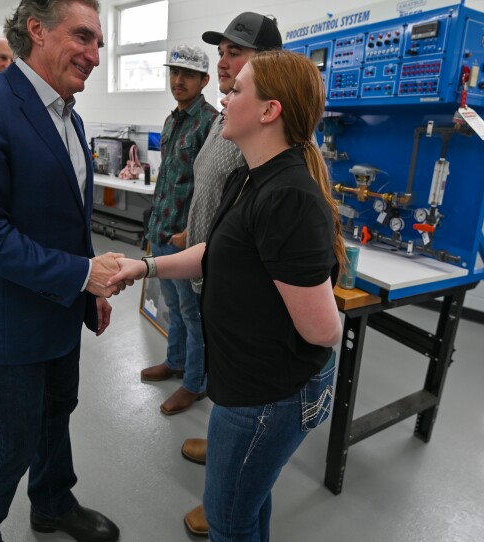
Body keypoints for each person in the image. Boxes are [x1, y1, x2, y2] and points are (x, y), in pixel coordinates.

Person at [108, 50, 346, 542]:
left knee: (228, 518)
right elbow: (210, 252)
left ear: (269, 111)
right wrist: (145, 266)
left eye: (237, 89)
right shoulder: (247, 178)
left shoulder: (289, 200)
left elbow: (323, 330)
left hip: (269, 396)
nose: (224, 95)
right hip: (243, 384)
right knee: (246, 501)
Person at [0, 1, 123, 541]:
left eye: (99, 43)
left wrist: (89, 289)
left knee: (58, 409)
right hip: (8, 311)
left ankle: (52, 503)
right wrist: (81, 275)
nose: (94, 54)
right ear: (36, 30)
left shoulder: (69, 113)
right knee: (12, 436)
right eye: (82, 37)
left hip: (62, 302)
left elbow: (68, 216)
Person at [178, 12, 283, 536]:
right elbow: (209, 188)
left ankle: (231, 489)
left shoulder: (263, 127)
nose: (223, 61)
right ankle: (224, 453)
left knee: (243, 392)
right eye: (221, 52)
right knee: (222, 383)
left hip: (228, 280)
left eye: (234, 53)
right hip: (204, 268)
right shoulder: (226, 114)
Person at [140, 45, 218, 416]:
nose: (178, 80)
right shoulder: (172, 120)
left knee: (192, 311)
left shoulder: (212, 124)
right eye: (174, 72)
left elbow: (211, 186)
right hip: (160, 230)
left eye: (187, 74)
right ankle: (175, 362)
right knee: (172, 306)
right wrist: (152, 225)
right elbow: (167, 180)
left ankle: (195, 382)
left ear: (205, 80)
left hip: (185, 240)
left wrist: (190, 231)